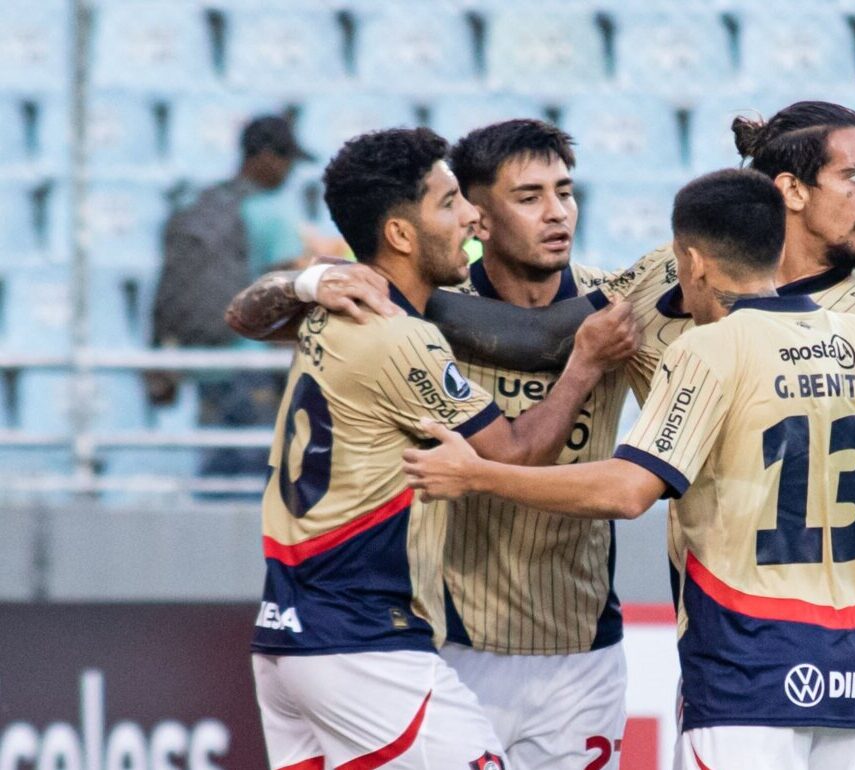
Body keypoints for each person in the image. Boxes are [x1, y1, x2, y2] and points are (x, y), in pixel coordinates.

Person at [403, 168, 855, 770]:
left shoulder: (710, 349)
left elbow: (631, 490)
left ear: (694, 262)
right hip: (850, 669)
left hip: (749, 666)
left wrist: (477, 475)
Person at [248, 126, 636, 770]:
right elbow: (510, 452)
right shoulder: (405, 334)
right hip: (373, 637)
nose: (469, 218)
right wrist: (585, 363)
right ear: (401, 233)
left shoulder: (332, 306)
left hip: (295, 631)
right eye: (452, 202)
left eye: (565, 191)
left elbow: (245, 314)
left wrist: (305, 284)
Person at [150, 114, 314, 484]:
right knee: (261, 476)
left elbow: (169, 286)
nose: (289, 172)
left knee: (218, 471)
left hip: (208, 357)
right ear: (267, 157)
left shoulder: (203, 205)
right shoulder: (274, 212)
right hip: (253, 367)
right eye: (286, 160)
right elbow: (287, 296)